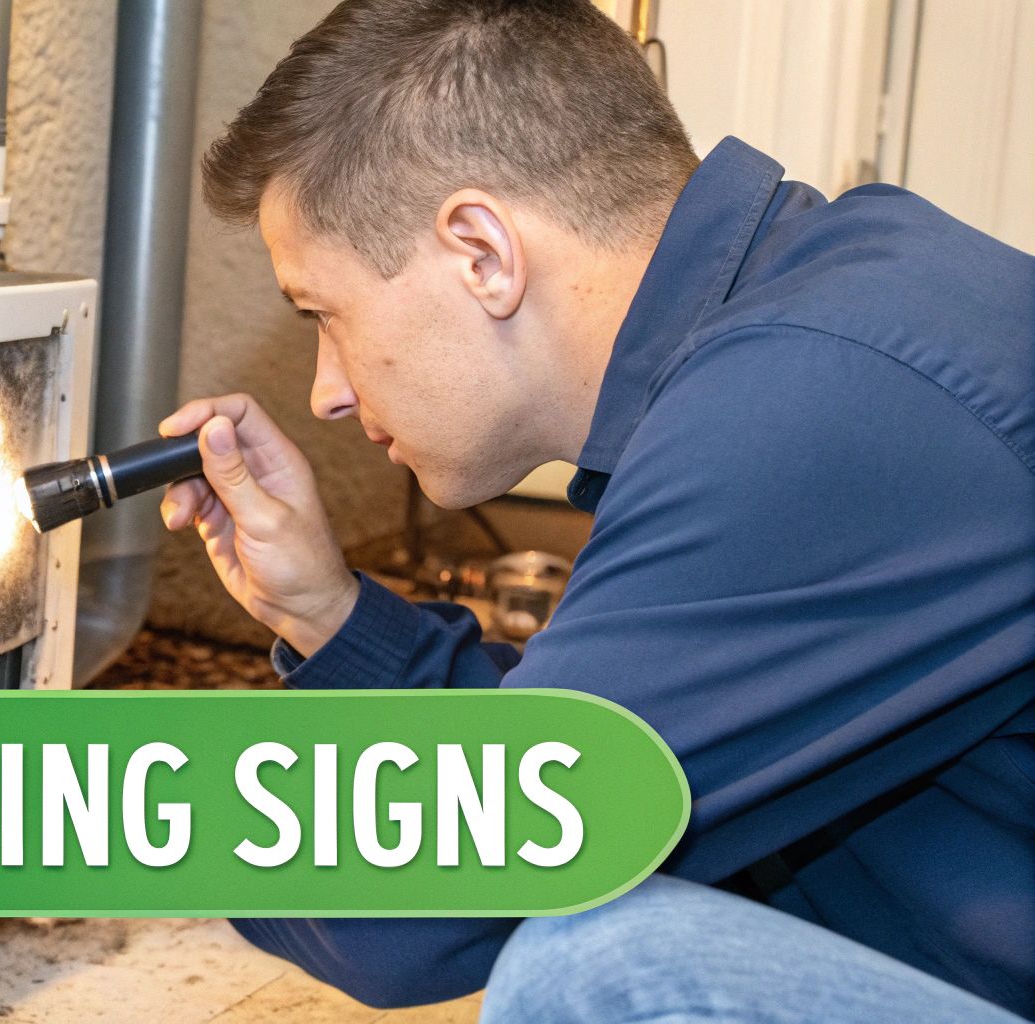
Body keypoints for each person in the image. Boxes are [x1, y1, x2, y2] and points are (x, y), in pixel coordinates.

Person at [156, 1, 1035, 1020]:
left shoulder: (807, 404)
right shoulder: (817, 306)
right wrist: (326, 615)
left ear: (479, 252)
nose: (327, 390)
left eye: (323, 314)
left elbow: (413, 901)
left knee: (602, 966)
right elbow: (568, 770)